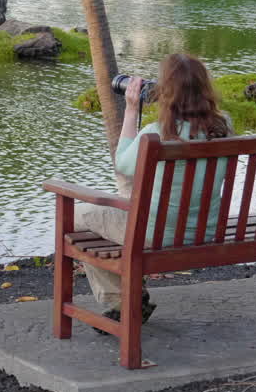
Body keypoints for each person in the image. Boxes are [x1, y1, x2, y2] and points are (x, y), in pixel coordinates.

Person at [75, 53, 233, 324]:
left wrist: (131, 109)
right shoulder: (224, 126)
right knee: (110, 217)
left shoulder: (156, 131)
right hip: (204, 232)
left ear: (166, 93)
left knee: (76, 215)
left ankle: (123, 300)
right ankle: (126, 297)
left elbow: (123, 165)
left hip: (155, 236)